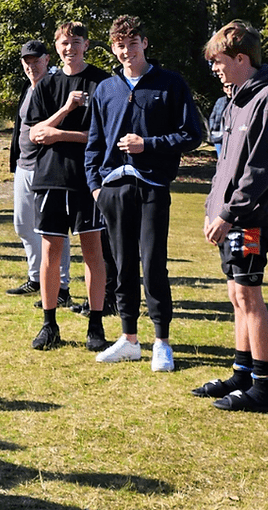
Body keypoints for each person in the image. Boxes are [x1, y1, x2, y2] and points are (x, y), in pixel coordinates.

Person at [84, 15, 203, 372]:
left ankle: (161, 342)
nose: (126, 51)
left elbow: (191, 135)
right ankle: (129, 339)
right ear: (112, 49)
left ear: (145, 43)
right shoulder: (106, 88)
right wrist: (95, 187)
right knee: (121, 266)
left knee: (152, 265)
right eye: (120, 45)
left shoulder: (170, 84)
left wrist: (146, 145)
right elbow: (93, 143)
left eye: (132, 43)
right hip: (114, 189)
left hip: (152, 186)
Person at [192, 21, 268, 415]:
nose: (214, 68)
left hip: (248, 218)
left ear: (241, 58)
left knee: (249, 295)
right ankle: (241, 372)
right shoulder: (233, 100)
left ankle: (263, 387)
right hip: (227, 217)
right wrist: (212, 208)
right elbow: (225, 165)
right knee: (236, 295)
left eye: (219, 60)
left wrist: (229, 213)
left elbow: (259, 169)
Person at [25, 24, 111, 352]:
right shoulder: (47, 83)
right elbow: (34, 134)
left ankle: (96, 324)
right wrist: (66, 110)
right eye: (64, 43)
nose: (69, 48)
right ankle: (49, 325)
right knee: (51, 251)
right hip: (50, 178)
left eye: (76, 42)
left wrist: (59, 134)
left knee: (93, 251)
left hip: (87, 179)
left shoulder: (102, 82)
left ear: (86, 44)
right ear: (56, 47)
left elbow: (103, 137)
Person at [6, 39, 71, 305]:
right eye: (27, 61)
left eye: (36, 60)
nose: (31, 65)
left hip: (47, 166)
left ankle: (62, 287)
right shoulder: (28, 87)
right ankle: (36, 278)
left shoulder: (56, 87)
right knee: (23, 225)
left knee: (54, 230)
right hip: (24, 164)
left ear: (47, 59)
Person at [208, 83, 231, 157]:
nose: (229, 88)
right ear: (224, 89)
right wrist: (212, 128)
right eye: (227, 86)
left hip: (231, 135)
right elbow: (212, 116)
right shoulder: (220, 101)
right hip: (218, 134)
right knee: (220, 157)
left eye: (232, 86)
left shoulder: (239, 101)